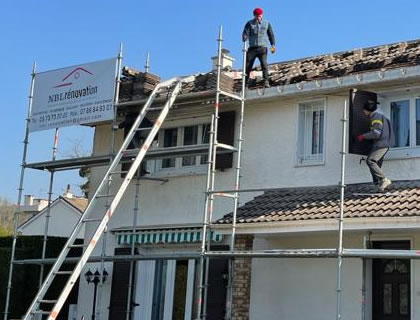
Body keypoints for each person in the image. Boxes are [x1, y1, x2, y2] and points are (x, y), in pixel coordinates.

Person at [356, 100, 392, 191]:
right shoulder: (382, 116)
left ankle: (384, 180)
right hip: (385, 143)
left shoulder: (376, 116)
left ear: (369, 109)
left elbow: (376, 133)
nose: (363, 112)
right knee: (377, 164)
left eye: (364, 110)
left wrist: (363, 136)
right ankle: (380, 185)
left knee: (370, 161)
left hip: (381, 144)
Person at [242, 7, 276, 88]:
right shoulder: (249, 23)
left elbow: (271, 34)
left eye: (260, 16)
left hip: (262, 48)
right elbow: (245, 32)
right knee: (248, 66)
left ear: (262, 15)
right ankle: (245, 84)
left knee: (264, 64)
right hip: (252, 48)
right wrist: (244, 37)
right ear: (254, 16)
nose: (258, 18)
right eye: (257, 16)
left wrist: (272, 45)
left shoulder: (266, 23)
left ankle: (266, 81)